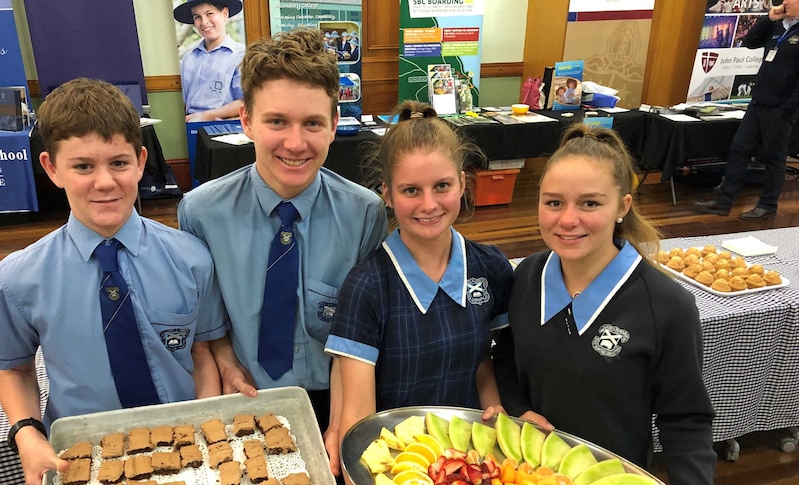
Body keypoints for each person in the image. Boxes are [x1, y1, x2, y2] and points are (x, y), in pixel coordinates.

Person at [0, 78, 226, 485]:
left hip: (186, 445)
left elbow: (202, 352)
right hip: (84, 455)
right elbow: (15, 370)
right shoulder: (18, 277)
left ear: (141, 161)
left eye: (118, 163)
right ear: (51, 168)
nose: (105, 182)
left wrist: (206, 422)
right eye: (82, 166)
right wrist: (25, 431)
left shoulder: (192, 259)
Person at [177, 25, 387, 466]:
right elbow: (207, 318)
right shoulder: (200, 213)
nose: (295, 143)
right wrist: (226, 364)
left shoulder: (364, 212)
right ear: (247, 121)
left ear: (334, 123)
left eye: (312, 123)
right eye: (277, 122)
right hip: (243, 393)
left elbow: (360, 328)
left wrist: (342, 419)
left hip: (336, 397)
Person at [493, 124, 716, 484]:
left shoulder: (667, 306)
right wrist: (519, 410)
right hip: (524, 473)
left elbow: (686, 420)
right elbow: (505, 357)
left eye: (590, 203)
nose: (567, 220)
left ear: (622, 206)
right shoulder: (525, 277)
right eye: (553, 202)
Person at [325, 101, 513, 479]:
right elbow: (357, 419)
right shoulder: (367, 286)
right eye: (411, 190)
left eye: (442, 186)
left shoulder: (492, 267)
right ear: (388, 195)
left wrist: (499, 423)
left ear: (462, 182)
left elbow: (484, 364)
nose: (429, 204)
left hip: (471, 458)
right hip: (398, 466)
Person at [694, 0, 799, 220]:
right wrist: (768, 19)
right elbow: (750, 42)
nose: (785, 2)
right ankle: (723, 201)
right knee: (739, 149)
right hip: (758, 102)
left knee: (774, 158)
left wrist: (788, 109)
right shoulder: (778, 26)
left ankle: (768, 205)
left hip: (781, 108)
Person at [174, 0, 245, 122]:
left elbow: (245, 102)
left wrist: (205, 116)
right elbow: (183, 104)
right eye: (197, 17)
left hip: (226, 127)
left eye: (209, 14)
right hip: (190, 124)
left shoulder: (241, 55)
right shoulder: (188, 59)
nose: (204, 22)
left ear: (224, 14)